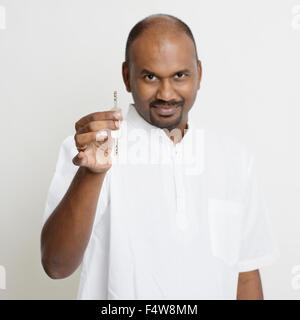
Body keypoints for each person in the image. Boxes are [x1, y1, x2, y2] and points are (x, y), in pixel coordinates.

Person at [40, 13, 279, 300]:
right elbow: (56, 266)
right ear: (127, 77)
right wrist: (92, 174)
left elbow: (246, 275)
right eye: (150, 76)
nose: (166, 93)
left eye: (180, 75)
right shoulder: (90, 151)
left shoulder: (233, 159)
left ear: (199, 74)